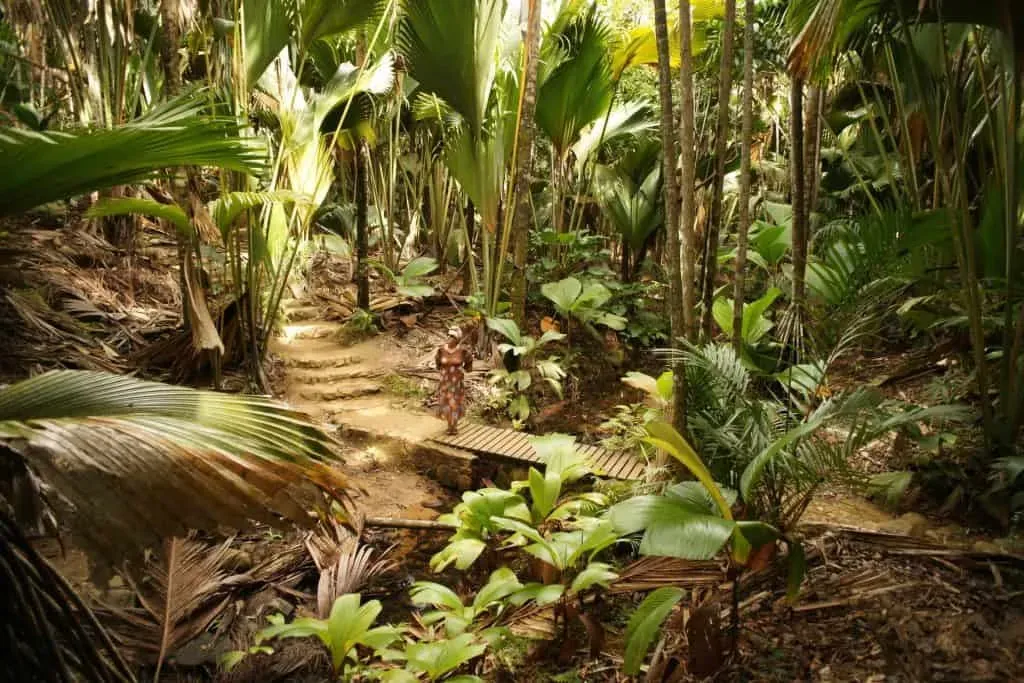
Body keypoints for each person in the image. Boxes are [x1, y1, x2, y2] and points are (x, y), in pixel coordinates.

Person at [435, 326, 472, 435]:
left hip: (456, 383)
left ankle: (453, 427)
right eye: (448, 335)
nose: (449, 337)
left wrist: (466, 368)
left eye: (452, 336)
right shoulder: (441, 350)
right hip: (445, 382)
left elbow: (469, 362)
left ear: (457, 339)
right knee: (446, 404)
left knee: (454, 404)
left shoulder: (462, 351)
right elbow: (438, 363)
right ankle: (449, 425)